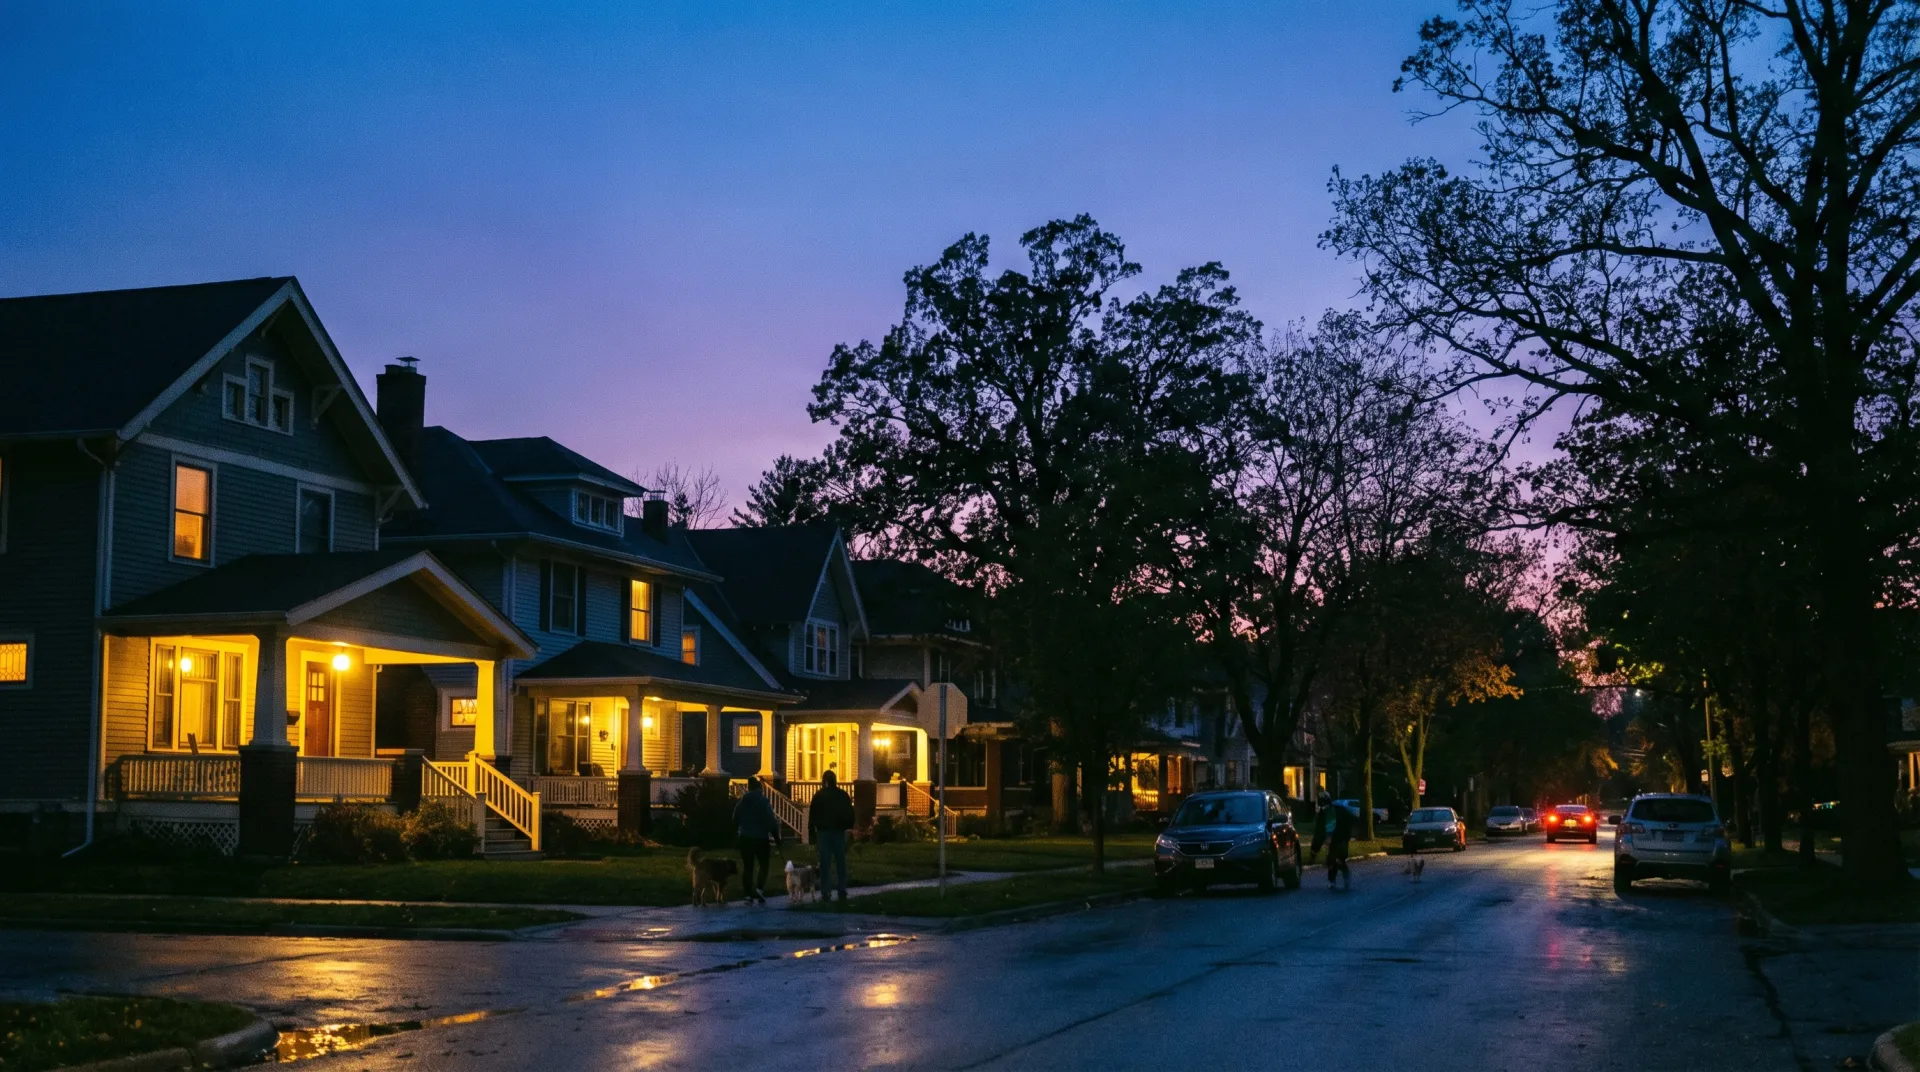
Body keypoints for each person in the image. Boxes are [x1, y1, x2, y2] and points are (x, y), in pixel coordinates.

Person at [808, 769, 856, 903]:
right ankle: (841, 888)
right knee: (840, 861)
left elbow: (812, 816)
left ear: (825, 781)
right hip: (839, 832)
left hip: (823, 833)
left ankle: (825, 891)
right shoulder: (843, 795)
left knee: (825, 863)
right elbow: (850, 812)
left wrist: (812, 832)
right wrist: (849, 827)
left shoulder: (819, 796)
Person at [733, 779, 781, 905]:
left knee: (748, 867)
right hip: (761, 838)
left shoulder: (742, 802)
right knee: (764, 865)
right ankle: (759, 888)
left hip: (745, 838)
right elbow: (771, 821)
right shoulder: (763, 801)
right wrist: (777, 838)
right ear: (759, 788)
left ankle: (748, 895)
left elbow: (735, 818)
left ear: (749, 788)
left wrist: (738, 830)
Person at [1309, 791, 1354, 890]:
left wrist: (1314, 850)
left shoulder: (1328, 813)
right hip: (1339, 839)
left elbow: (1319, 832)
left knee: (1333, 859)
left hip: (1337, 839)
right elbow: (1351, 819)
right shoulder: (1339, 809)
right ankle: (1339, 878)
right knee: (1335, 859)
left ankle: (1335, 879)